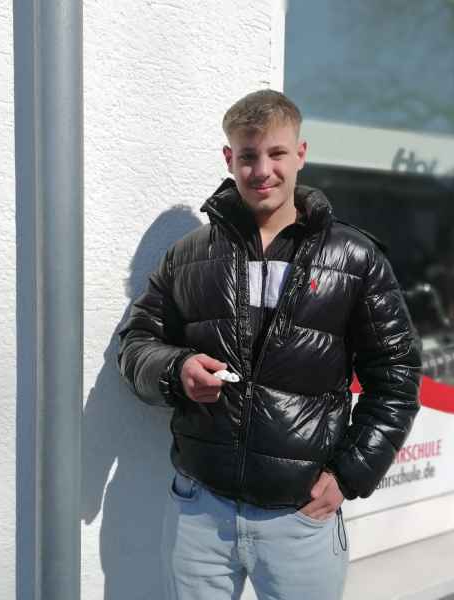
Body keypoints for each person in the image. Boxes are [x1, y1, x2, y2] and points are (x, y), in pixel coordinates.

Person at [117, 89, 422, 600]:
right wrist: (176, 369)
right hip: (200, 511)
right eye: (248, 155)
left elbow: (397, 378)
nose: (263, 170)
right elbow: (136, 345)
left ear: (300, 154)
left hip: (300, 520)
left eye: (276, 153)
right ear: (228, 158)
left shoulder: (355, 258)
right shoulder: (187, 257)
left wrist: (349, 475)